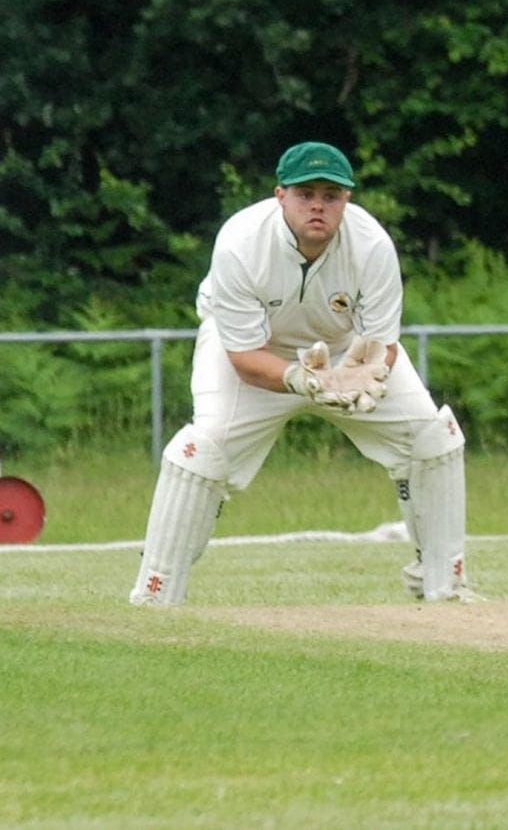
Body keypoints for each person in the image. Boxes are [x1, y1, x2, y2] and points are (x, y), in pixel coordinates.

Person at [129, 142, 475, 604]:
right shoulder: (240, 243)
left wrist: (362, 374)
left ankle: (443, 584)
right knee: (202, 450)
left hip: (343, 351)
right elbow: (244, 356)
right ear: (280, 195)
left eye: (331, 195)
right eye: (305, 193)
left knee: (434, 436)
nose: (318, 204)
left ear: (346, 200)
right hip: (253, 348)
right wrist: (302, 379)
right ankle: (156, 592)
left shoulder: (372, 246)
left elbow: (382, 344)